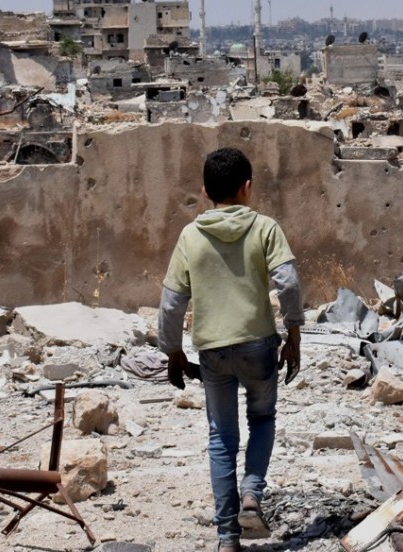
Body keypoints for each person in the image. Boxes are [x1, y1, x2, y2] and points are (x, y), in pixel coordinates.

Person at [158, 147, 303, 552]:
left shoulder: (190, 236)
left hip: (213, 353)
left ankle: (227, 539)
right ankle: (253, 493)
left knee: (221, 437)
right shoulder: (266, 228)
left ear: (204, 192)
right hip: (258, 345)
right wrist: (293, 332)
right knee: (262, 418)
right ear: (248, 188)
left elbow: (171, 302)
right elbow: (288, 283)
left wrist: (172, 351)